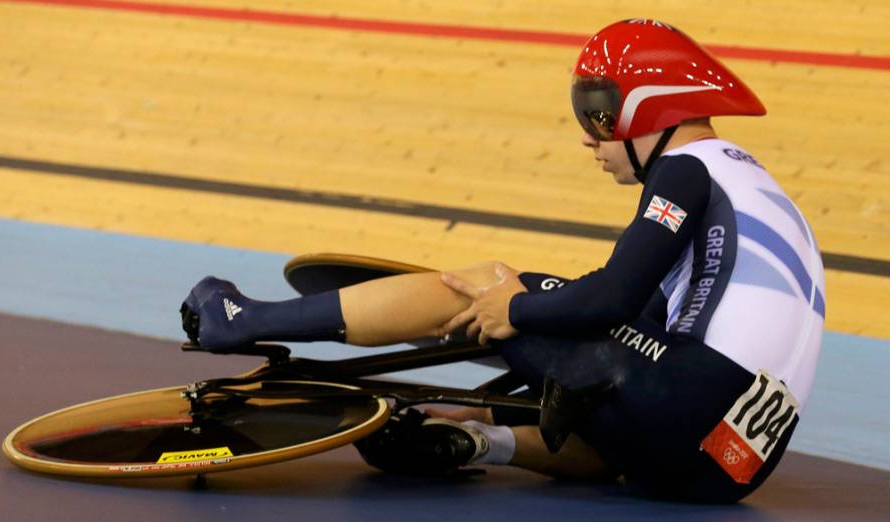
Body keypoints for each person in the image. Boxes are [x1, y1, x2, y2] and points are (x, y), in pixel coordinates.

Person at [181, 19, 825, 503]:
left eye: (599, 113)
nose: (587, 136)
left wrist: (514, 305)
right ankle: (479, 440)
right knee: (605, 406)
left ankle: (242, 316)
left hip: (682, 401)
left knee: (486, 283)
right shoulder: (758, 187)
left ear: (648, 109)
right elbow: (645, 326)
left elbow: (610, 302)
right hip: (729, 468)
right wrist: (493, 401)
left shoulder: (686, 168)